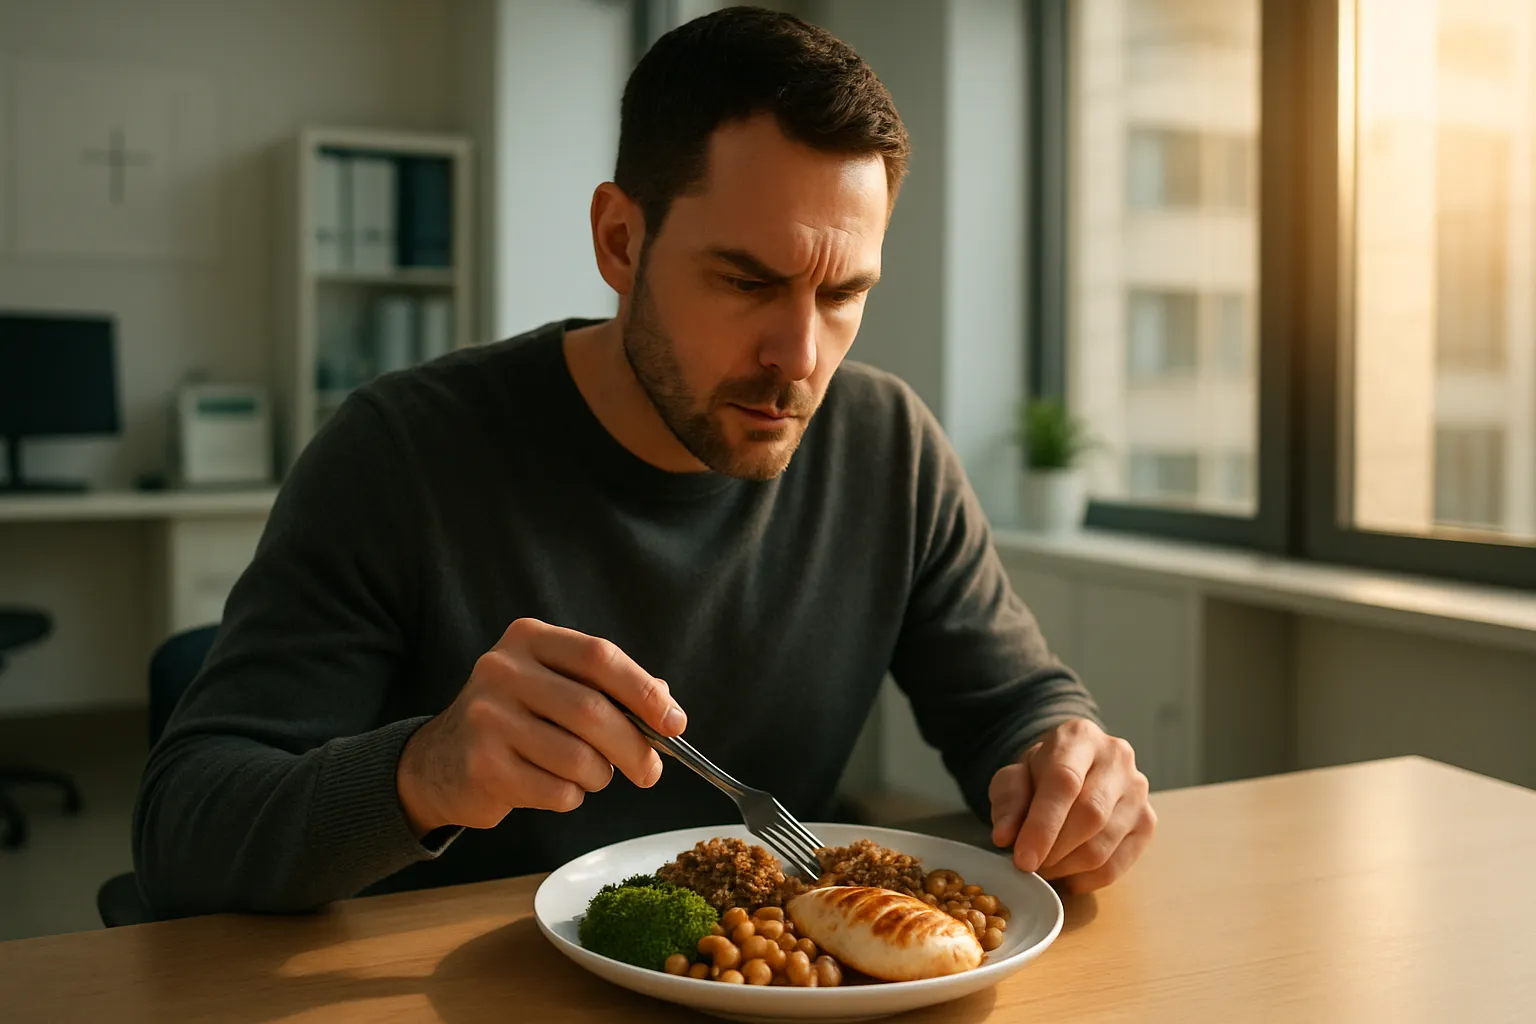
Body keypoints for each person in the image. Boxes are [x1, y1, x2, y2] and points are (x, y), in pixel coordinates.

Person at [134, 6, 1154, 919]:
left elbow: (1017, 710)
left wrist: (1067, 770)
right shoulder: (399, 452)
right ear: (621, 242)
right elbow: (185, 828)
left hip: (768, 981)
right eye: (748, 281)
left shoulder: (888, 447)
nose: (801, 357)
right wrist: (425, 770)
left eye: (844, 294)